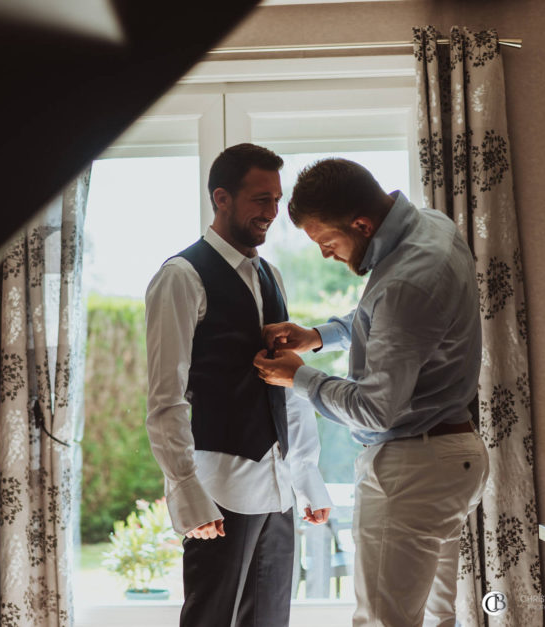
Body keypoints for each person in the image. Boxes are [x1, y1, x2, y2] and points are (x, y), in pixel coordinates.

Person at [253, 158, 490, 627]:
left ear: (361, 224)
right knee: (439, 617)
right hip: (453, 459)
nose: (326, 254)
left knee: (384, 621)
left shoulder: (407, 280)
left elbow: (375, 409)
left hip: (412, 473)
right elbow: (385, 319)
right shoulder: (433, 227)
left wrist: (301, 378)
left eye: (327, 242)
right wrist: (317, 336)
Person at [145, 143, 332, 627]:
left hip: (280, 487)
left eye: (276, 200)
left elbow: (286, 382)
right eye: (260, 199)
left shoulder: (270, 275)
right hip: (220, 489)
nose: (272, 212)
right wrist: (186, 490)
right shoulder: (181, 277)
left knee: (270, 620)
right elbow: (165, 399)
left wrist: (307, 475)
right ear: (221, 198)